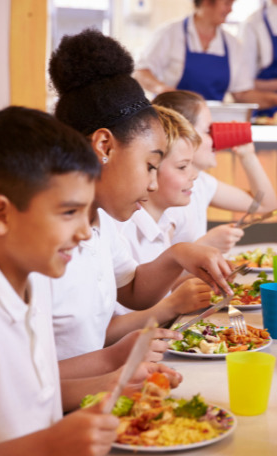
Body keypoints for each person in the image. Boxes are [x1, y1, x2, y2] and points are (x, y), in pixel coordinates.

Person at [0, 106, 181, 455]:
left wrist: (109, 378)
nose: (85, 232)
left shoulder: (31, 283)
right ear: (0, 215)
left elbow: (28, 395)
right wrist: (48, 444)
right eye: (69, 213)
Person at [48, 29, 233, 361]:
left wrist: (178, 254)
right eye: (150, 165)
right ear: (104, 147)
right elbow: (33, 380)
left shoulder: (99, 220)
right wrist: (116, 361)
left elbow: (132, 289)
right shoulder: (46, 246)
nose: (152, 184)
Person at [107, 105, 213, 339]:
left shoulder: (163, 224)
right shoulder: (119, 230)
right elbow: (105, 331)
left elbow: (151, 295)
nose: (194, 175)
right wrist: (173, 304)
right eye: (183, 166)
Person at [154, 90, 277, 252]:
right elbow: (154, 272)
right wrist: (206, 245)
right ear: (183, 134)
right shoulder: (168, 197)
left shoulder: (200, 182)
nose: (216, 138)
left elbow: (266, 206)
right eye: (208, 131)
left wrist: (248, 156)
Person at [133, 0, 277, 112]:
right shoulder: (170, 33)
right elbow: (140, 72)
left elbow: (242, 94)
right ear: (207, 2)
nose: (230, 9)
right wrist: (161, 88)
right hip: (171, 122)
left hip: (211, 126)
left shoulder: (232, 44)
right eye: (227, 3)